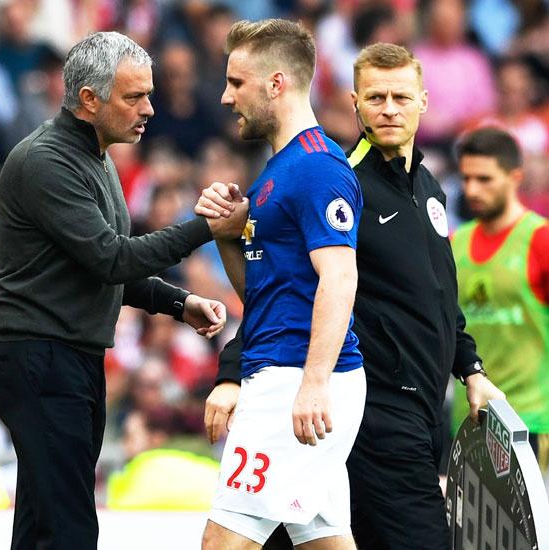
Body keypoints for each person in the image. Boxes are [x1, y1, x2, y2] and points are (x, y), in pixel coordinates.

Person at [201, 43, 505, 550]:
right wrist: (235, 373)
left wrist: (470, 370)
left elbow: (438, 294)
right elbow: (287, 284)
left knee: (306, 534)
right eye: (377, 97)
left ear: (424, 102)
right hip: (371, 407)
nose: (389, 108)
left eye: (401, 97)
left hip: (416, 406)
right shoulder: (340, 178)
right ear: (355, 103)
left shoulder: (430, 189)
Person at [0, 31, 246, 550]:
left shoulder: (98, 157)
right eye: (134, 97)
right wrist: (208, 226)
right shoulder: (47, 161)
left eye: (148, 94)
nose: (150, 108)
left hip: (70, 358)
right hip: (41, 358)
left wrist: (178, 302)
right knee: (69, 527)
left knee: (44, 523)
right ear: (89, 99)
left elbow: (103, 266)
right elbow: (111, 258)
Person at [197, 19, 366, 550]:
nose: (226, 97)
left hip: (298, 379)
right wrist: (228, 237)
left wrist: (313, 382)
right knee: (324, 540)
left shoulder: (316, 169)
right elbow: (262, 293)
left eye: (236, 82)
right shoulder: (276, 172)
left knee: (223, 541)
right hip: (289, 372)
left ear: (277, 83)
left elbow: (340, 276)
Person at [451, 127, 549, 477]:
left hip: (532, 421)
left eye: (485, 179)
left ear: (515, 177)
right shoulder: (453, 244)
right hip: (469, 422)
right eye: (466, 178)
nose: (472, 190)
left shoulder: (539, 240)